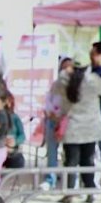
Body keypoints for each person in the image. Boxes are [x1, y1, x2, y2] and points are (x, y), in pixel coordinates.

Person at [58, 63, 101, 203]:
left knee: (70, 162)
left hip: (72, 127)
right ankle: (90, 192)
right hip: (90, 128)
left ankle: (69, 194)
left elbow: (59, 81)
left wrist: (66, 71)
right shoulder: (93, 80)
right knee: (88, 162)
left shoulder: (65, 80)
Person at [40, 58, 73, 190]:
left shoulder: (76, 86)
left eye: (69, 67)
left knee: (70, 154)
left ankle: (69, 181)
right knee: (51, 152)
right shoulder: (55, 84)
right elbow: (48, 100)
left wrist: (63, 117)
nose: (66, 70)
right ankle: (50, 179)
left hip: (68, 122)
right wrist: (51, 114)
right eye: (64, 67)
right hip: (53, 120)